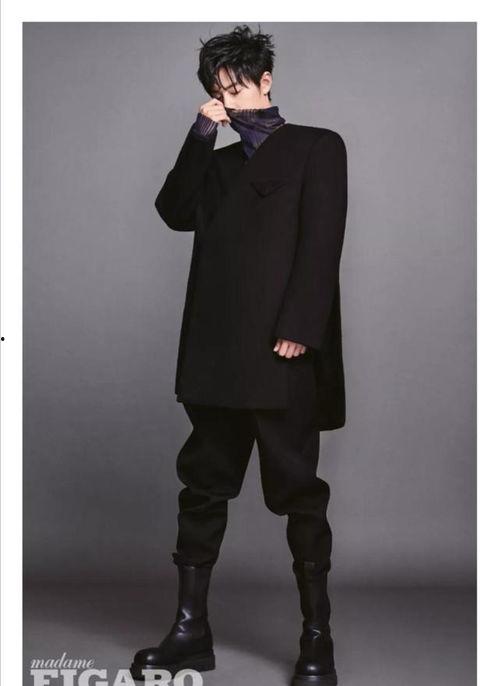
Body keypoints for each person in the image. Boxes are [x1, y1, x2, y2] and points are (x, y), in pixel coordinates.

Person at [131, 24, 348, 686]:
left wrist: (301, 326)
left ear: (265, 80)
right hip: (216, 353)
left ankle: (317, 640)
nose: (230, 99)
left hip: (283, 351)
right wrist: (201, 132)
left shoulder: (317, 146)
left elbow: (322, 241)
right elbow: (173, 211)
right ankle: (189, 632)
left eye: (237, 86)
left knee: (299, 495)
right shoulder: (218, 164)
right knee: (201, 488)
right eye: (218, 91)